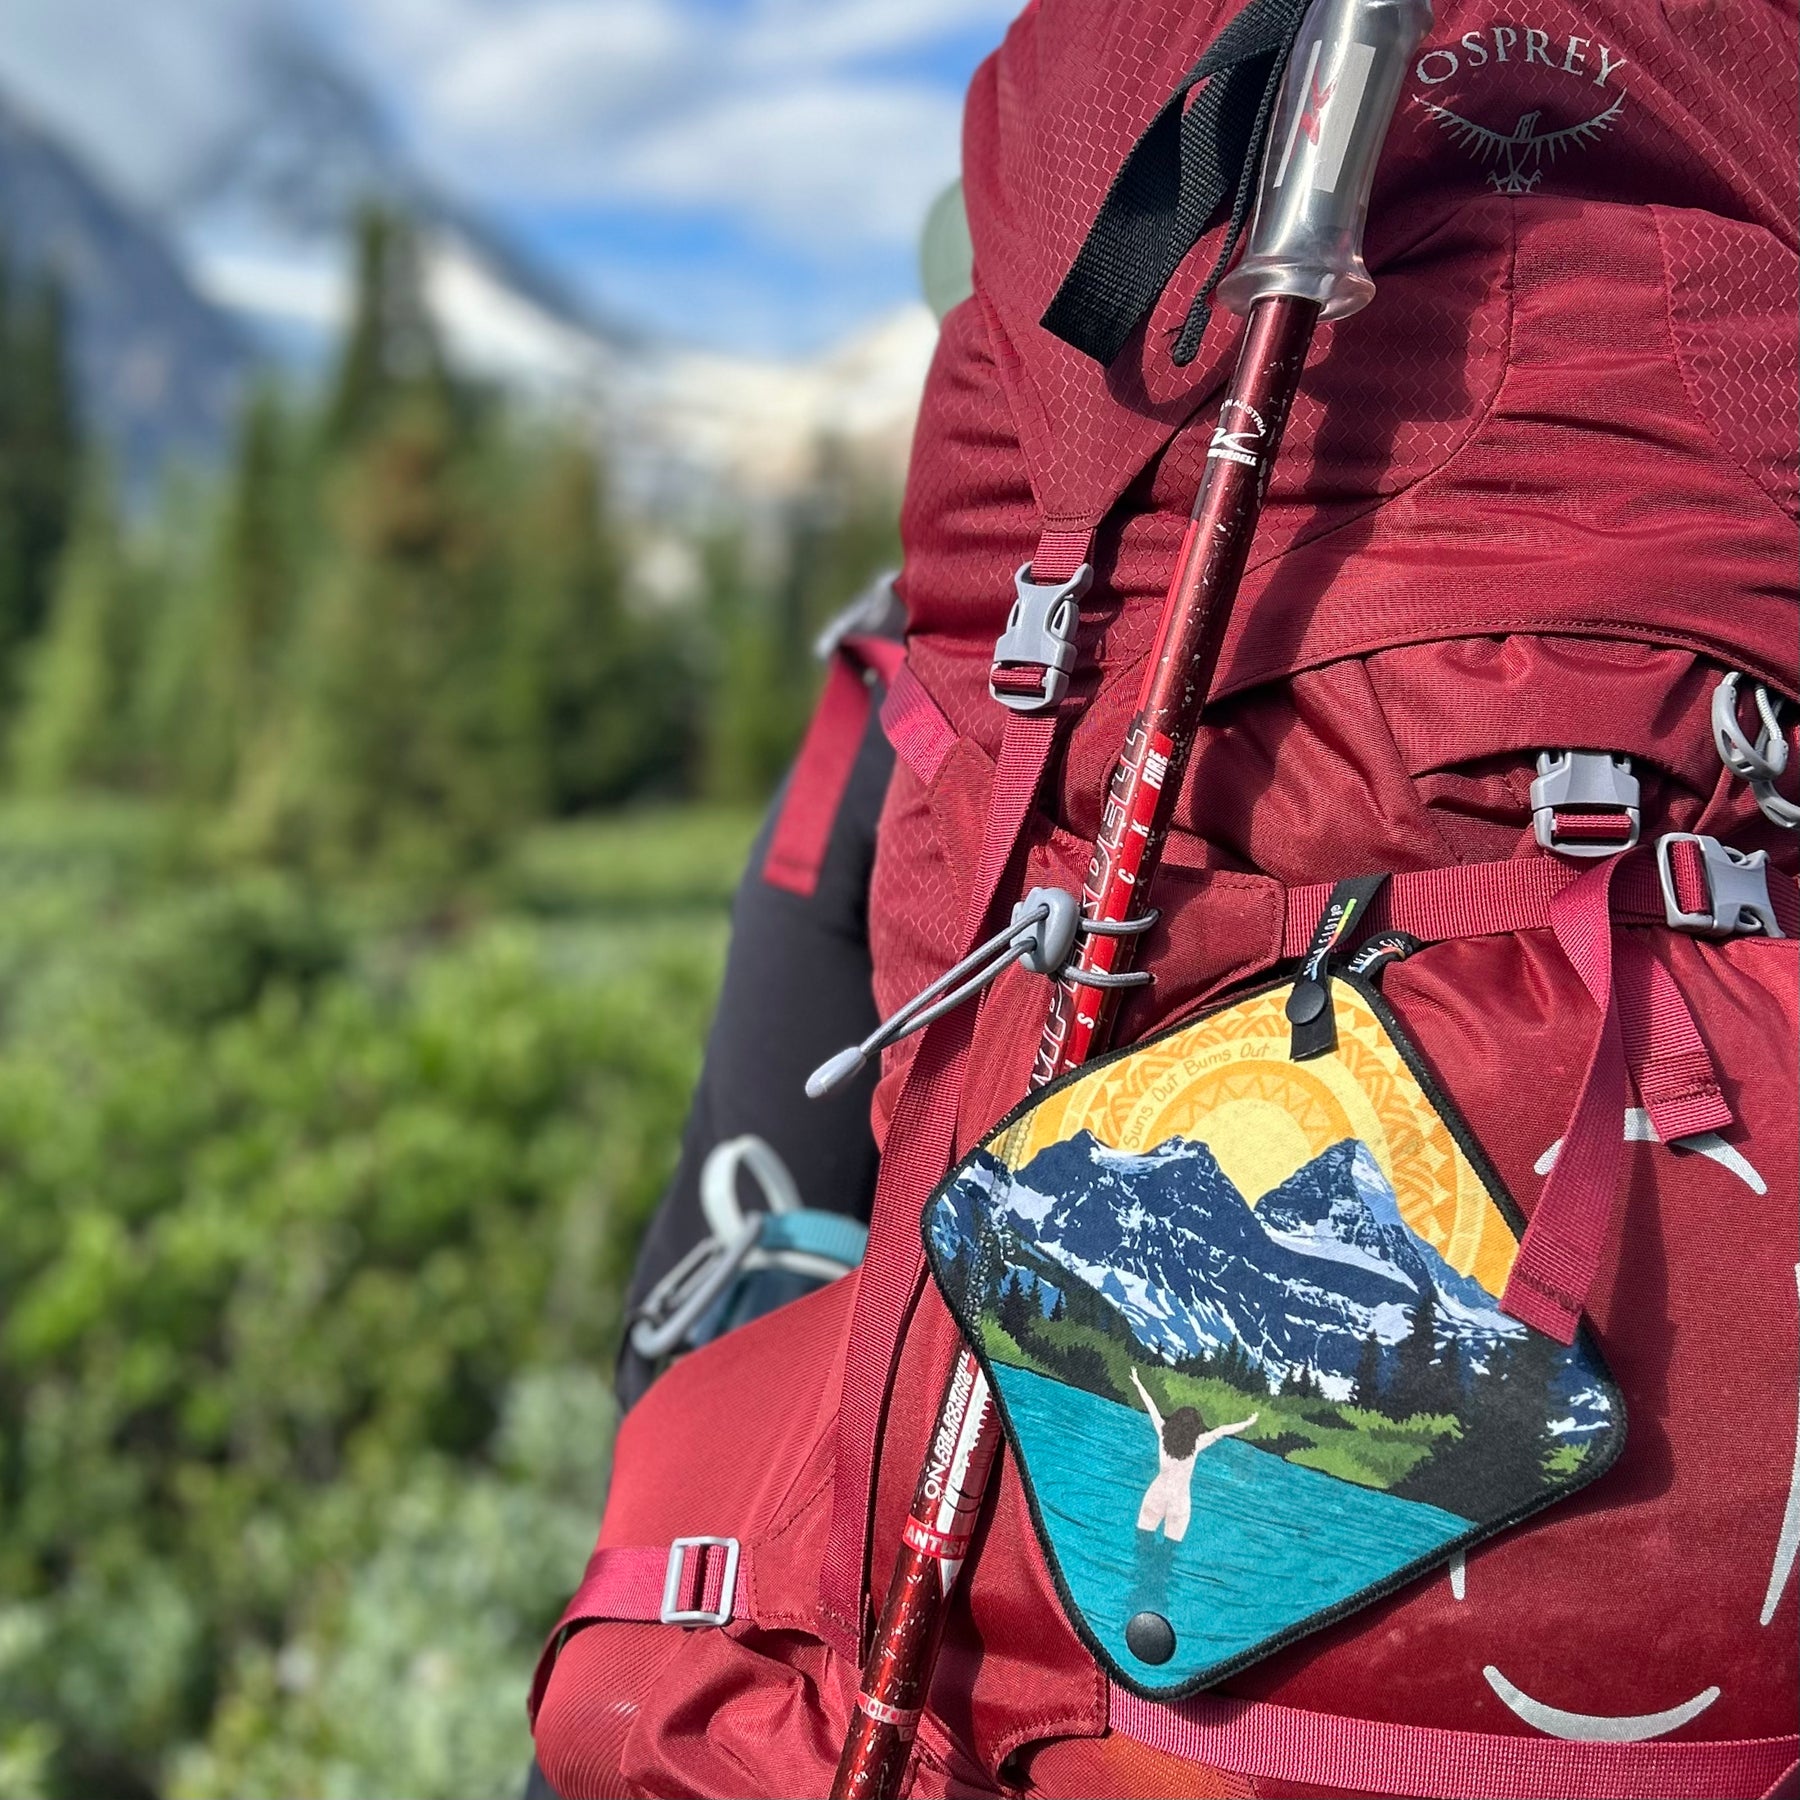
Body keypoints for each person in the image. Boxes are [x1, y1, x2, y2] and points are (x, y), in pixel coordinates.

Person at [1129, 1367, 1256, 1543]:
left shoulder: (1163, 1432)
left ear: (1174, 1420)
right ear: (1196, 1427)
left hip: (1156, 1495)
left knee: (1142, 1544)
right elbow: (1223, 1430)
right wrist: (1249, 1422)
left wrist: (1137, 1382)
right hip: (1179, 1503)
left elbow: (1151, 1406)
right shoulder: (1198, 1442)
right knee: (1168, 1554)